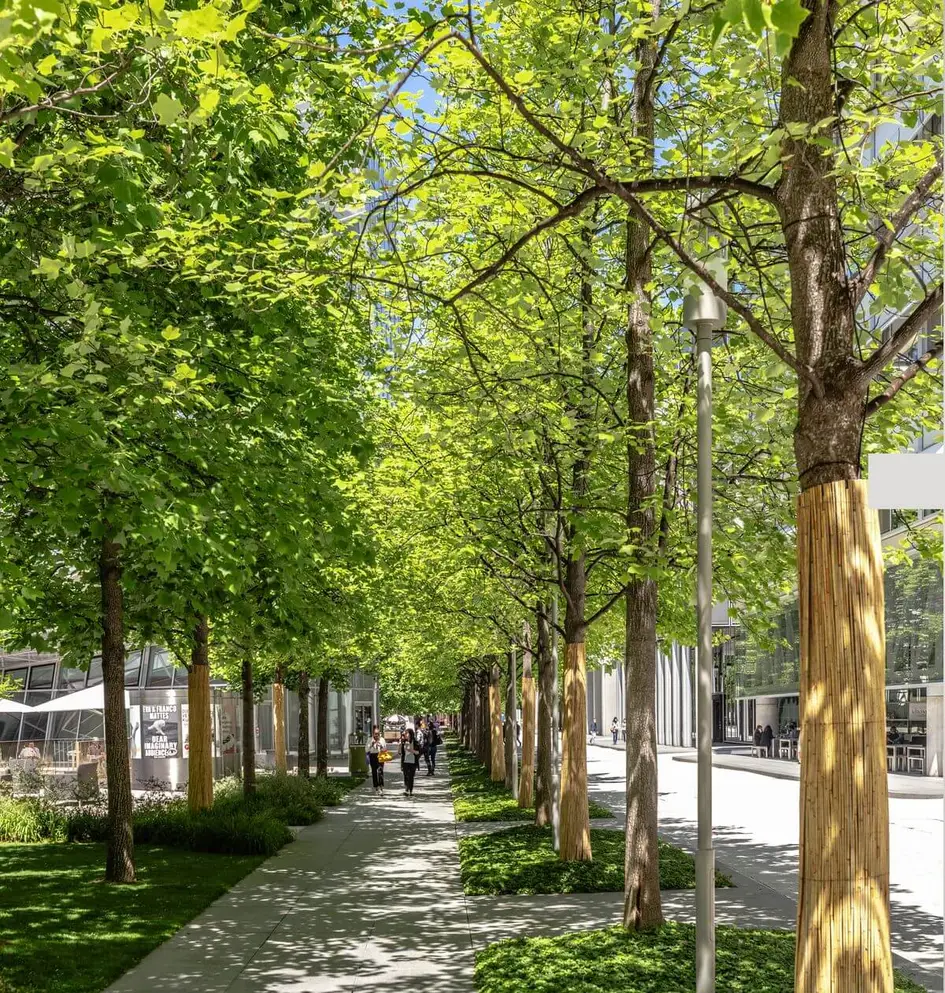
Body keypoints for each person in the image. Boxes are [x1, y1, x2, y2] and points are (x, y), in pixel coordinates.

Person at [366, 726, 388, 795]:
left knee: (380, 771)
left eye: (378, 733)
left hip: (380, 755)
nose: (377, 735)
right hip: (373, 756)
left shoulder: (382, 739)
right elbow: (366, 750)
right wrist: (371, 745)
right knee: (374, 772)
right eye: (375, 733)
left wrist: (381, 746)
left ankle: (381, 787)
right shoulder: (370, 739)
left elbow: (385, 749)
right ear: (373, 734)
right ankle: (376, 787)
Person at [401, 728, 421, 796]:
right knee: (406, 776)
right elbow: (401, 753)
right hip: (405, 761)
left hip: (413, 762)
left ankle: (410, 790)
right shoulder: (403, 742)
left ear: (411, 734)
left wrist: (411, 750)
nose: (406, 735)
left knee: (411, 776)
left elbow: (418, 752)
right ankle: (406, 789)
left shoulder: (415, 742)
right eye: (405, 733)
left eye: (407, 733)